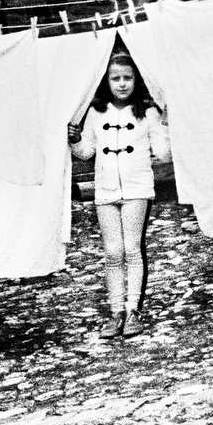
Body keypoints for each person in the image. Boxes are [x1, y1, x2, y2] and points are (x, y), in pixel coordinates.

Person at [71, 46, 169, 338]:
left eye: (128, 78)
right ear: (107, 81)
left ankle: (133, 310)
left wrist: (166, 125)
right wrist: (75, 140)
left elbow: (163, 153)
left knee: (132, 249)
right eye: (116, 78)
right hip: (105, 190)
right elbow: (87, 152)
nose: (122, 84)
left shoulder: (148, 113)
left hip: (137, 189)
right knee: (112, 252)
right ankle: (116, 312)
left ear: (137, 80)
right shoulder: (96, 113)